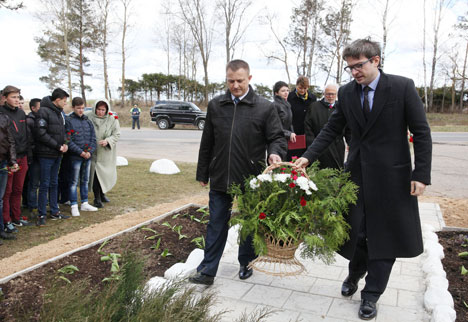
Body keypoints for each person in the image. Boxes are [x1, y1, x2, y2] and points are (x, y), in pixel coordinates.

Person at [294, 39, 432, 320]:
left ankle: (372, 295)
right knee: (356, 233)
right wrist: (308, 156)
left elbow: (421, 132)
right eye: (350, 67)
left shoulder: (402, 87)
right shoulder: (346, 93)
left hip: (393, 178)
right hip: (356, 175)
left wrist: (421, 174)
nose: (354, 72)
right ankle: (355, 274)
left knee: (385, 237)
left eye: (359, 66)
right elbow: (332, 128)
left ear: (376, 61)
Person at [190, 59, 286, 286]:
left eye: (240, 81)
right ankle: (207, 270)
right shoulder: (215, 106)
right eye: (231, 81)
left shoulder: (264, 107)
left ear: (249, 79)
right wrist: (203, 172)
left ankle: (247, 262)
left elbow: (276, 137)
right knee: (216, 222)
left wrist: (274, 153)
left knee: (250, 223)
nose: (235, 85)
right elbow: (207, 142)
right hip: (221, 175)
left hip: (251, 176)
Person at [35, 88, 71, 226]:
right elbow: (41, 134)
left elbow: (65, 130)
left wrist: (66, 143)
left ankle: (55, 211)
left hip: (58, 153)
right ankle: (41, 213)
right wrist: (57, 146)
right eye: (64, 101)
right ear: (57, 100)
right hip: (46, 154)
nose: (65, 103)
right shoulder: (43, 112)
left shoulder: (60, 113)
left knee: (54, 182)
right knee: (44, 184)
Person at [1, 86, 31, 232]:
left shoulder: (21, 113)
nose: (16, 99)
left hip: (22, 156)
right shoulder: (2, 113)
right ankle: (6, 221)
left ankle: (16, 217)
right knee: (7, 191)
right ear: (5, 98)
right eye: (13, 97)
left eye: (18, 97)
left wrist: (28, 154)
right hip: (9, 159)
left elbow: (25, 135)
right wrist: (10, 159)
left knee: (18, 189)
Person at [66, 97, 98, 217]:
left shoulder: (88, 121)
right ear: (73, 108)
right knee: (74, 181)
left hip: (87, 156)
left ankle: (84, 202)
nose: (81, 110)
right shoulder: (69, 121)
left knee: (85, 180)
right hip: (75, 157)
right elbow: (68, 140)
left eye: (82, 108)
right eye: (78, 108)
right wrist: (80, 152)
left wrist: (89, 151)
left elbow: (93, 139)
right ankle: (74, 204)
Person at [304, 84, 349, 170]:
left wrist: (350, 142)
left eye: (333, 94)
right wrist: (311, 144)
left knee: (336, 171)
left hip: (337, 146)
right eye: (328, 94)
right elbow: (308, 127)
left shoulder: (341, 107)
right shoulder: (314, 107)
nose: (330, 96)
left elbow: (348, 127)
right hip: (318, 145)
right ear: (324, 94)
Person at [87, 99, 120, 209]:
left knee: (104, 175)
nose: (100, 112)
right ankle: (97, 198)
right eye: (98, 109)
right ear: (95, 108)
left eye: (103, 110)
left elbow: (116, 134)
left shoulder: (112, 119)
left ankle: (102, 193)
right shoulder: (88, 117)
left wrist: (108, 141)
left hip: (105, 153)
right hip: (93, 153)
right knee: (95, 176)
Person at [0, 107, 19, 243]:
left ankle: (1, 230)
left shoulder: (3, 118)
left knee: (0, 199)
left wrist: (12, 160)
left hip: (2, 162)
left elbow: (10, 140)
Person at [287, 76, 317, 160]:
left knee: (306, 157)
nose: (302, 90)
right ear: (296, 86)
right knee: (294, 157)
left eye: (305, 88)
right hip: (294, 131)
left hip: (307, 132)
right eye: (300, 88)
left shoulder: (312, 98)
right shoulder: (289, 97)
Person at [24, 98, 42, 216]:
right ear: (33, 108)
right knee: (33, 183)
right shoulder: (30, 121)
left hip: (41, 155)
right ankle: (32, 206)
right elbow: (29, 141)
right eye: (40, 107)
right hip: (34, 156)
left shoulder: (40, 119)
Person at [272, 81, 296, 148]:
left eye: (287, 90)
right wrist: (289, 134)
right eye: (283, 91)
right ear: (276, 93)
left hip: (287, 140)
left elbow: (289, 123)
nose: (286, 93)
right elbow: (275, 126)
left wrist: (292, 133)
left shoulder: (287, 105)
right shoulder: (274, 106)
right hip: (276, 141)